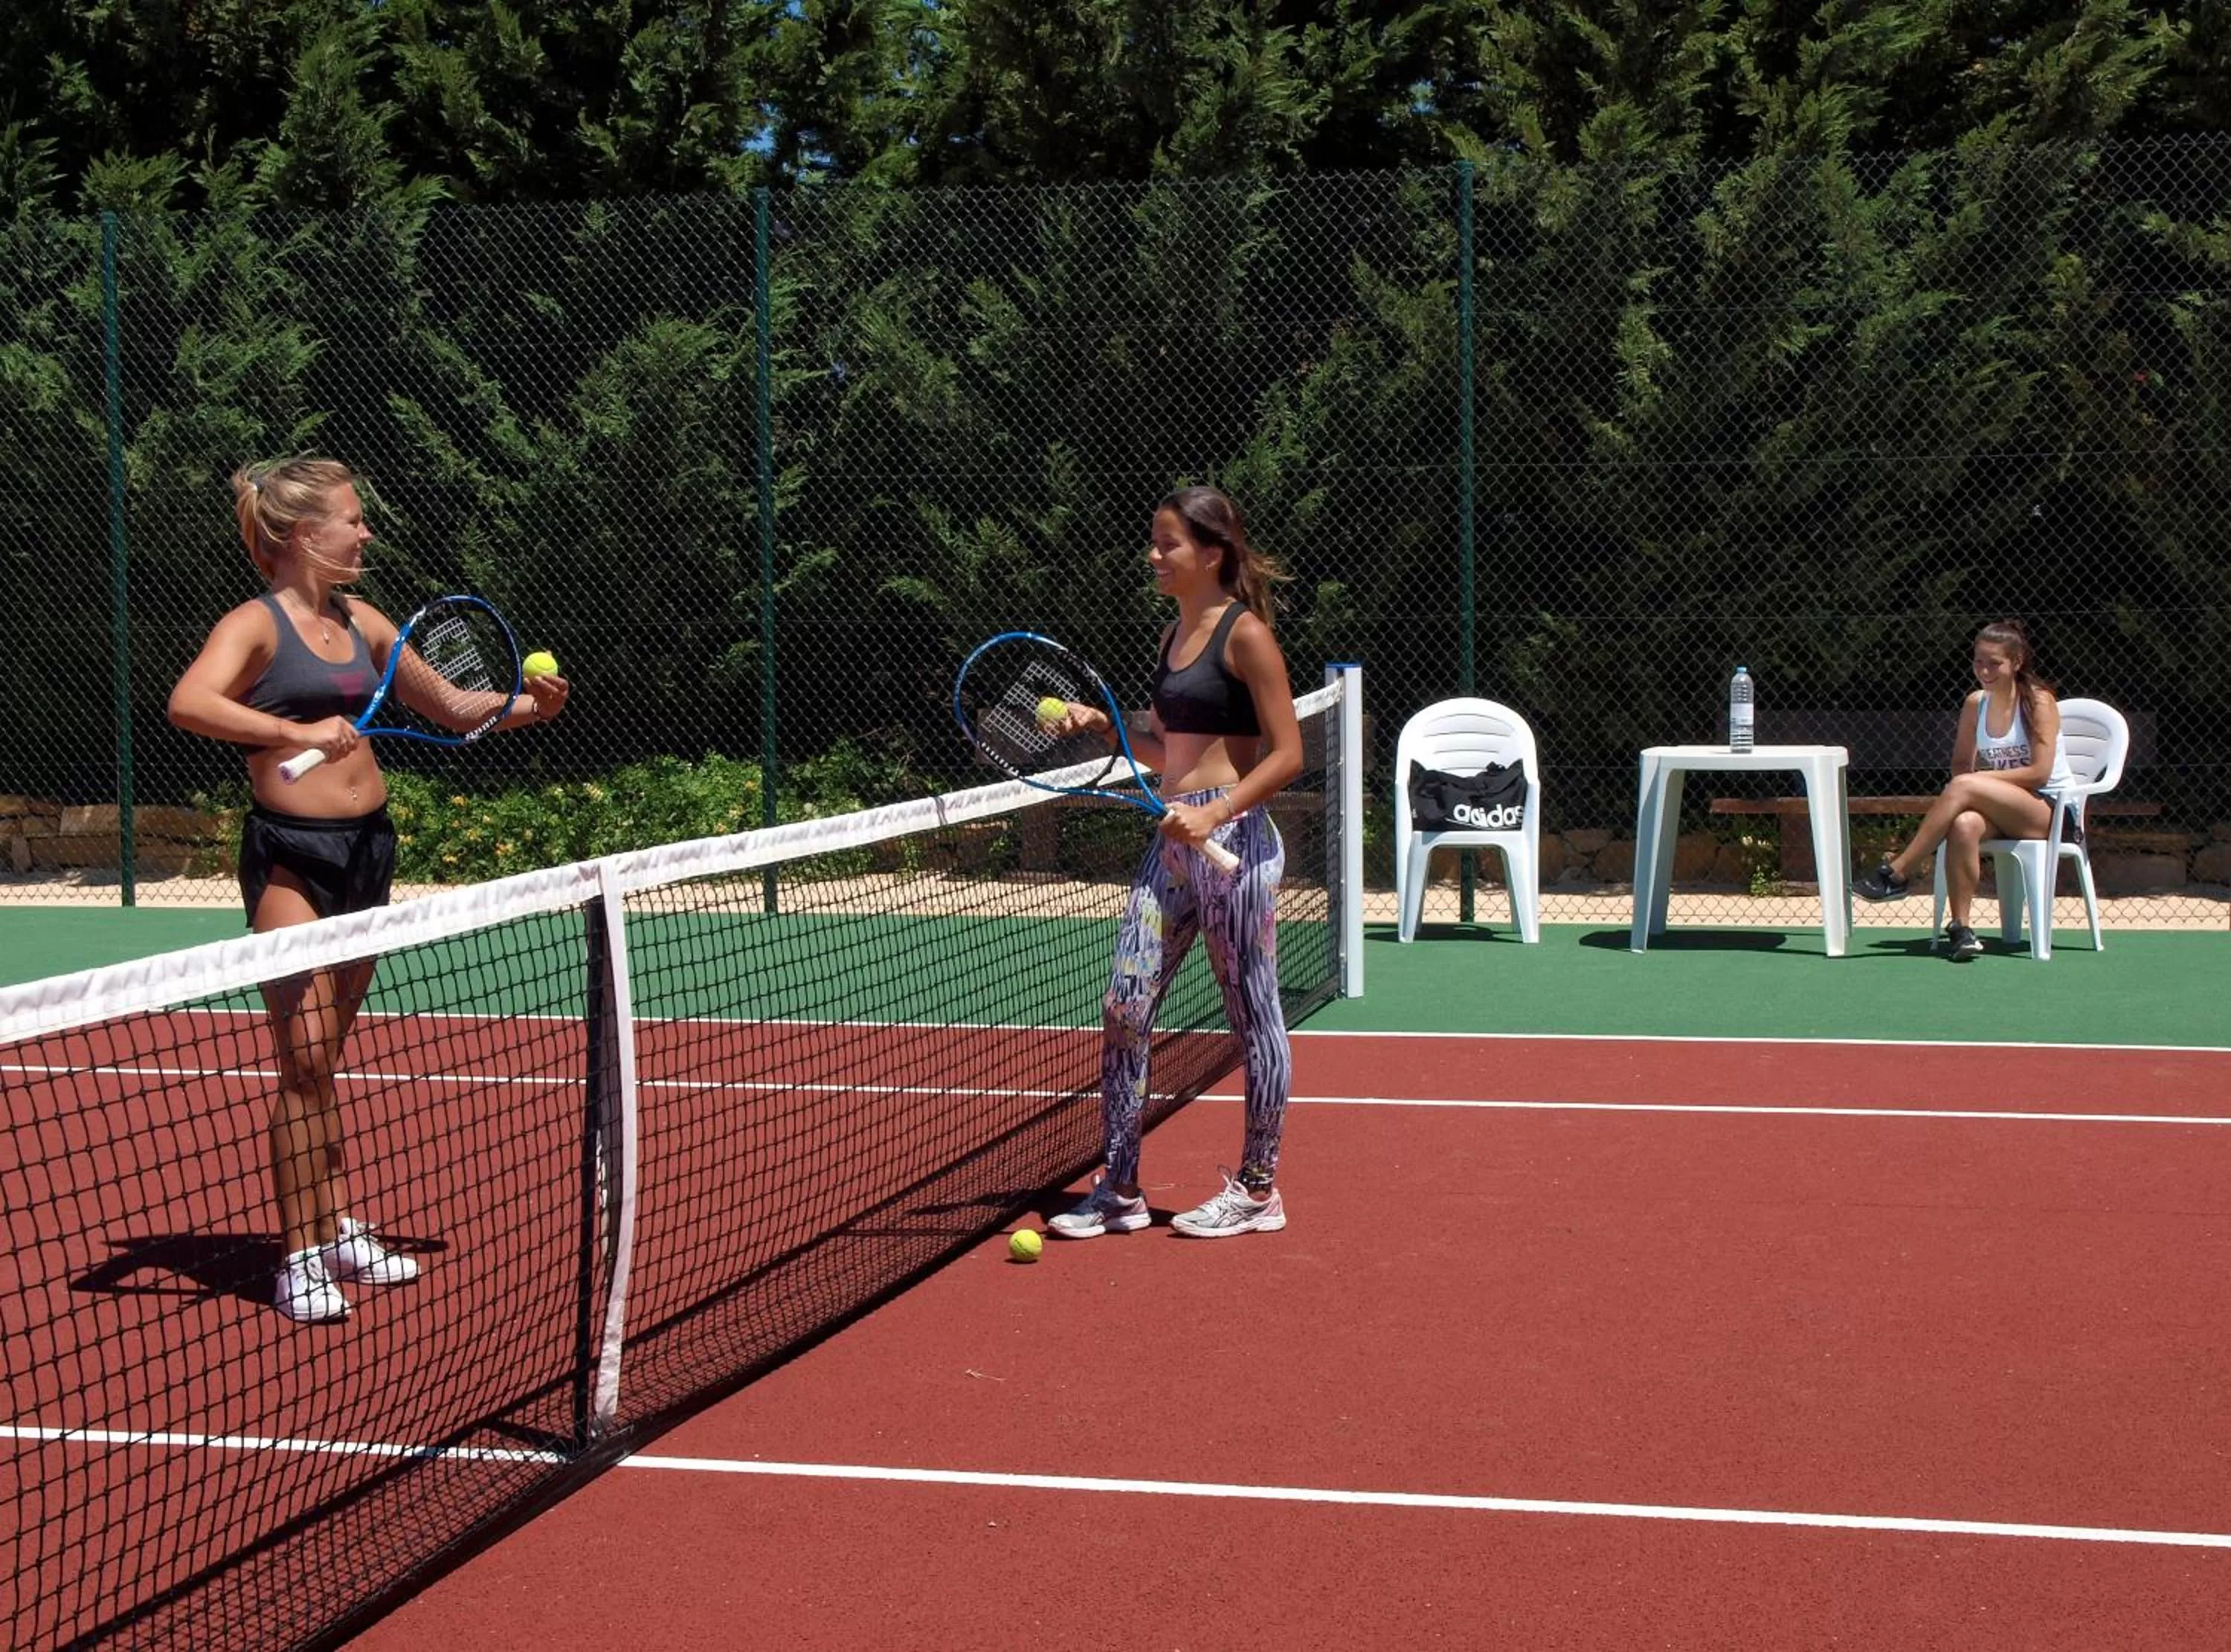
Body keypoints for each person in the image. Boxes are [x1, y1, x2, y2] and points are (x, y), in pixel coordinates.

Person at [167, 456, 569, 1323]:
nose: (365, 532)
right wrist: (294, 731)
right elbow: (190, 702)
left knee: (328, 1058)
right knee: (304, 1058)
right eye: (352, 519)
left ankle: (334, 1224)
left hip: (367, 852)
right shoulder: (254, 625)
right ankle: (299, 1255)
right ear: (302, 534)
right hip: (291, 855)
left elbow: (454, 706)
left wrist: (532, 706)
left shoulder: (365, 620)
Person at [1043, 485, 1303, 1240]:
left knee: (1254, 1017)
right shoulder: (1170, 636)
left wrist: (1216, 812)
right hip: (1174, 846)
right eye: (1154, 542)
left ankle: (1258, 1190)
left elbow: (1288, 754)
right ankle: (1120, 1187)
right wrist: (1107, 728)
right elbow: (1168, 754)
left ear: (1212, 553)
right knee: (1124, 1006)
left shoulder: (1246, 635)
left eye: (1169, 544)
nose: (1154, 555)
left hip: (1235, 846)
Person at [1853, 618, 2073, 961]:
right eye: (1978, 662)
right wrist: (1975, 785)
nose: (1984, 671)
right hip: (2003, 807)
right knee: (1964, 823)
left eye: (1994, 663)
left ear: (2016, 662)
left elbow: (2040, 773)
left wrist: (1978, 782)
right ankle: (1961, 929)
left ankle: (1898, 872)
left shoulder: (2039, 702)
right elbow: (1960, 764)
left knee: (1964, 785)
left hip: (2051, 811)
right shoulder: (1976, 704)